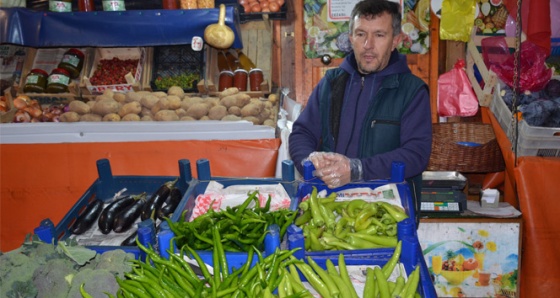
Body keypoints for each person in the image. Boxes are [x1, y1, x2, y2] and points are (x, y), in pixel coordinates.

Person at [288, 0, 432, 213]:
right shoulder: (331, 83)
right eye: (361, 34)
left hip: (387, 213)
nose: (368, 45)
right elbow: (302, 132)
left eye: (379, 35)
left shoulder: (412, 91)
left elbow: (416, 154)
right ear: (351, 38)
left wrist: (358, 170)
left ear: (395, 41)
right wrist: (309, 162)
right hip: (330, 207)